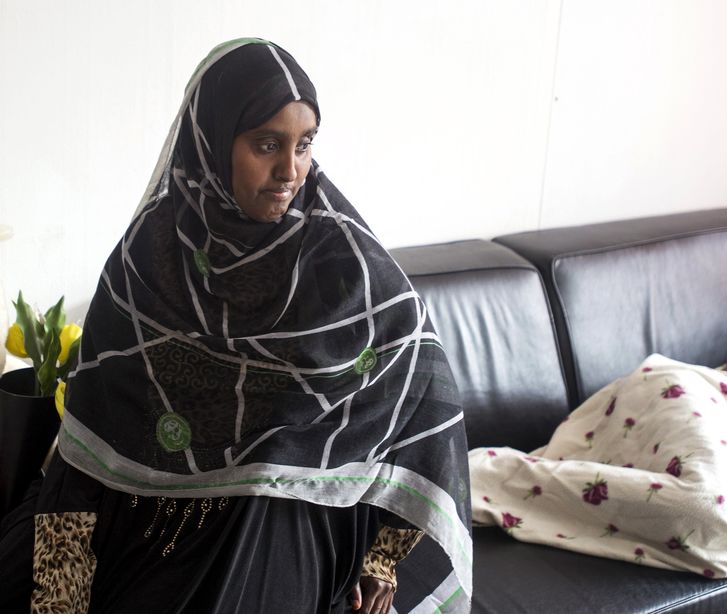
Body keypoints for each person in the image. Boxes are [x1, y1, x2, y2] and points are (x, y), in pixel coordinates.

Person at [0, 38, 472, 613]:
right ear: (212, 142)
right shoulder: (146, 265)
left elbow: (424, 398)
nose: (290, 170)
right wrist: (63, 594)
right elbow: (89, 446)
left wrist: (382, 558)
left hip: (286, 527)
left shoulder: (344, 264)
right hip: (159, 520)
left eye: (304, 145)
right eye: (267, 144)